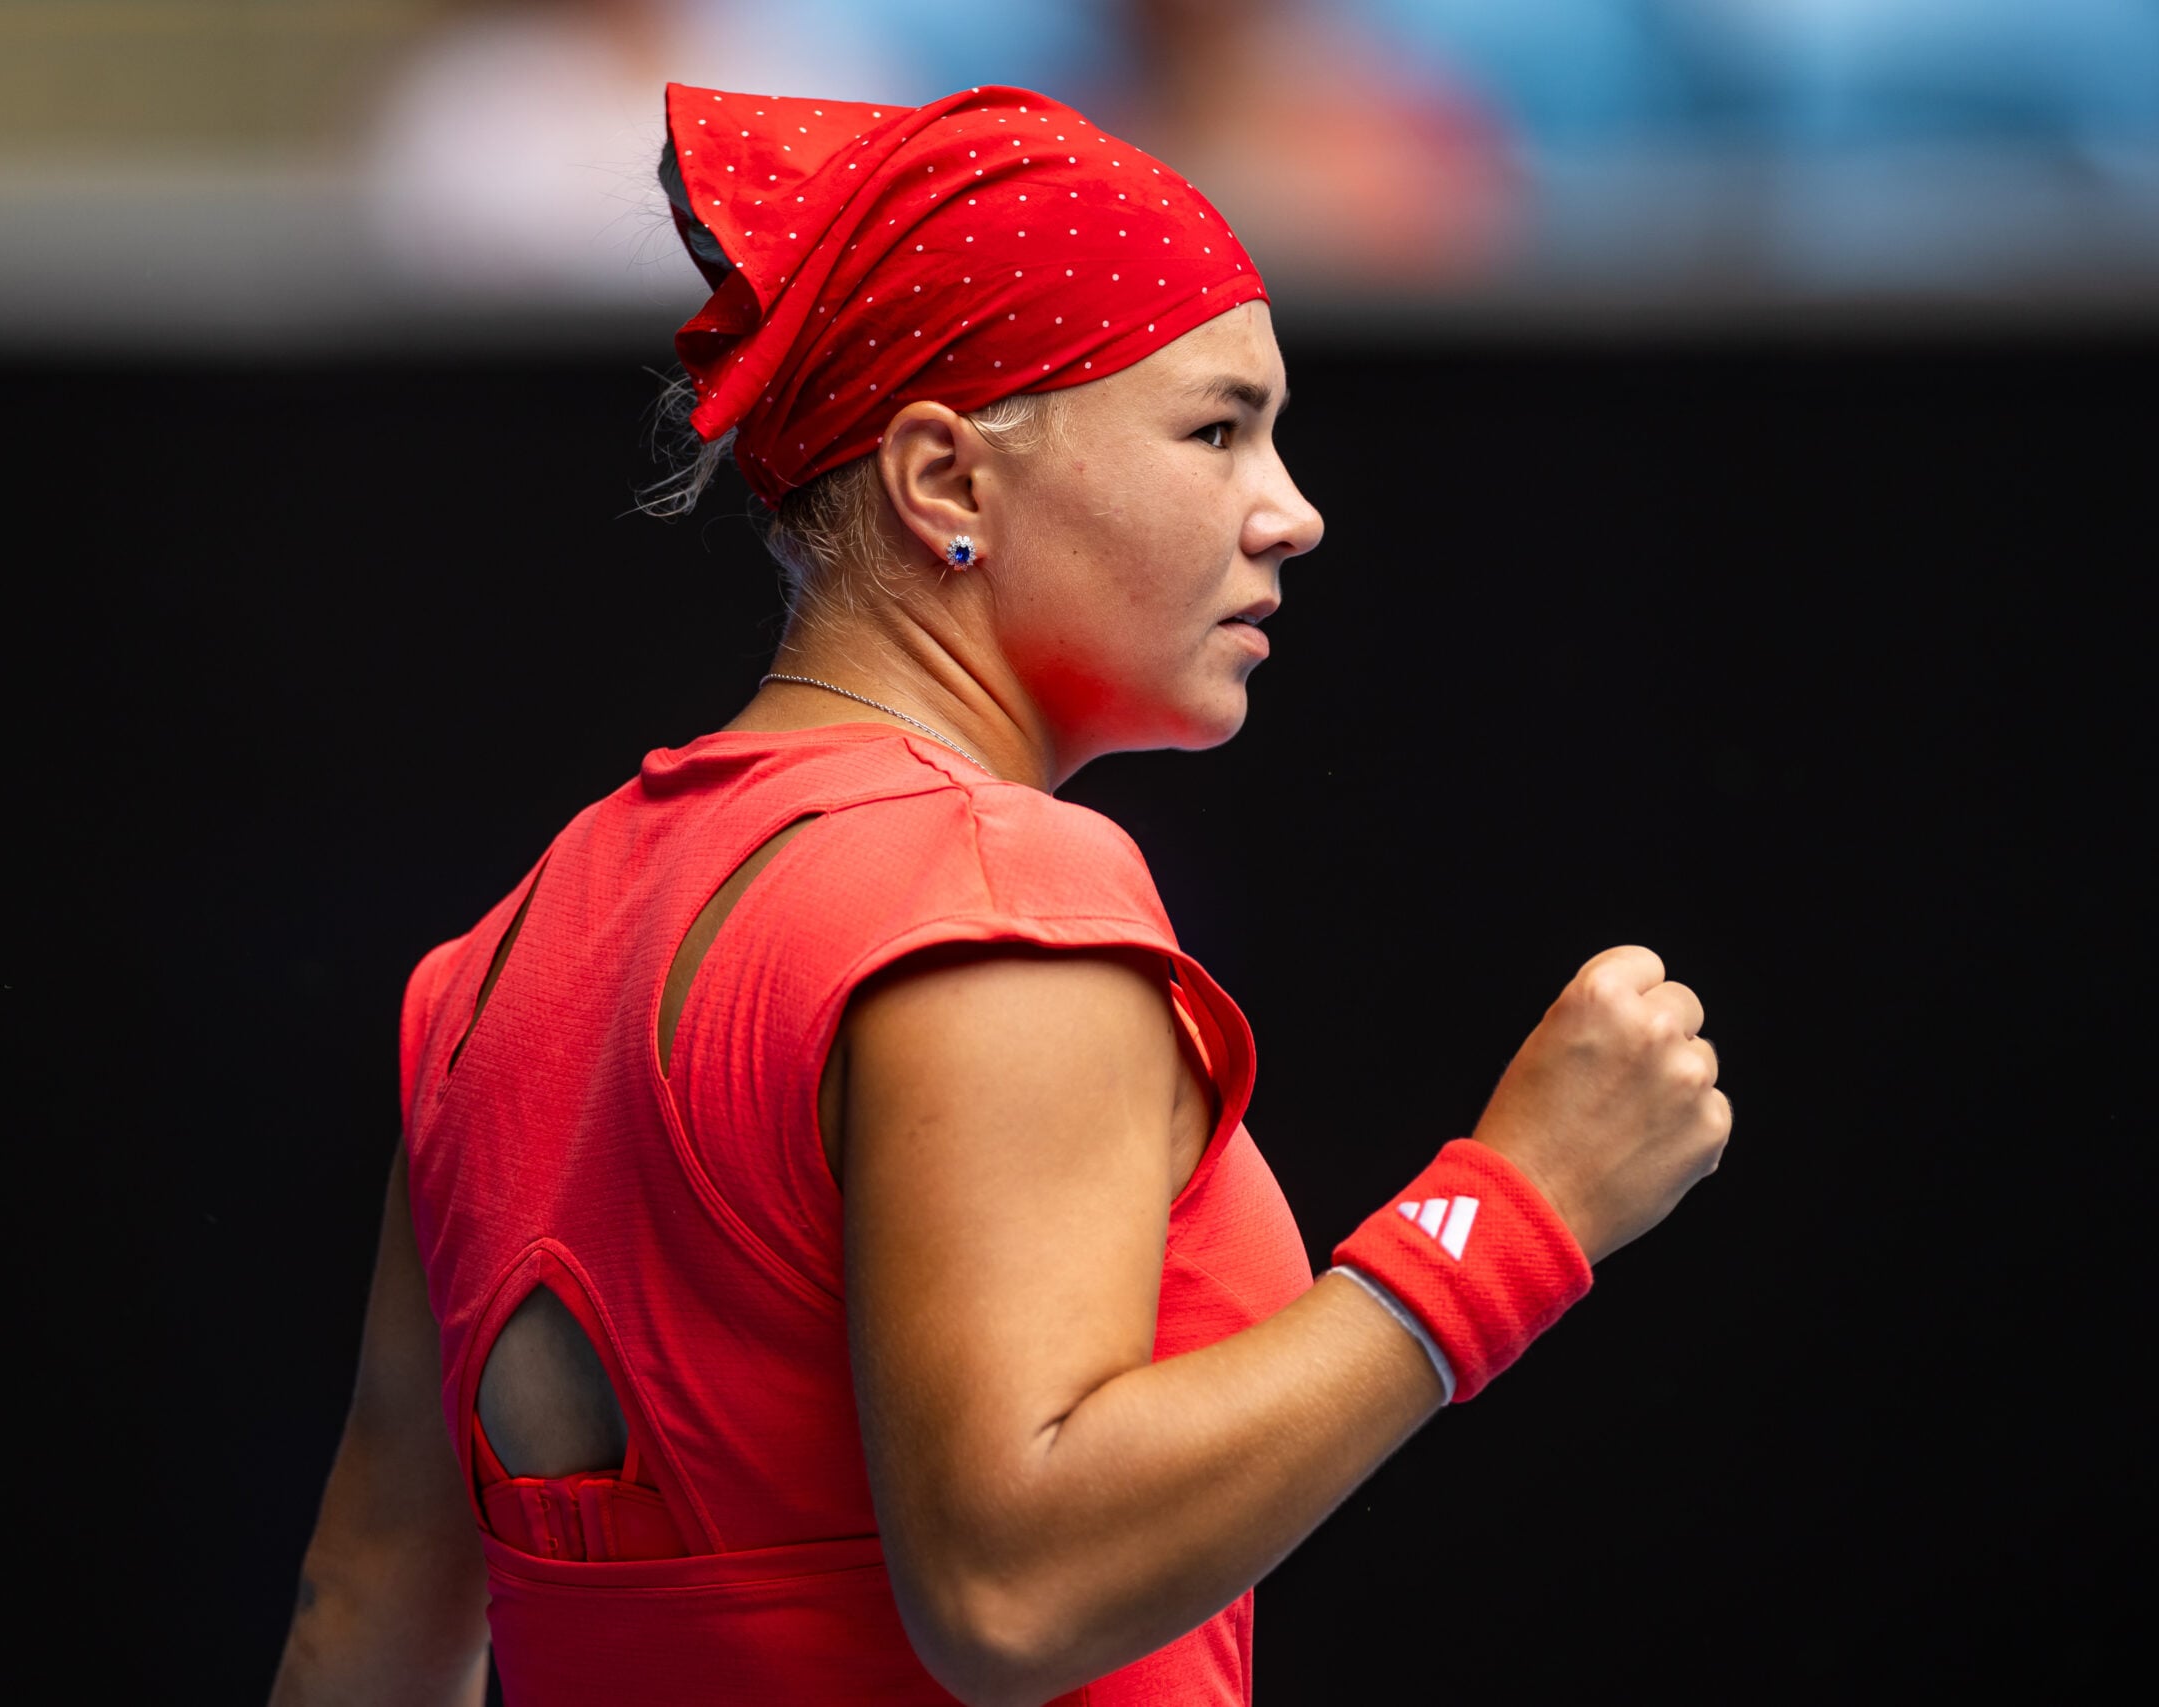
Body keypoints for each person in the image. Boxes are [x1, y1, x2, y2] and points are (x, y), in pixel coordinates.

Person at [269, 81, 1729, 1707]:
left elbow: (367, 1620)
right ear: (947, 485)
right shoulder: (992, 881)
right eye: (1217, 429)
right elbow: (1013, 1591)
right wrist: (1514, 1214)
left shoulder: (493, 963)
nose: (1291, 511)